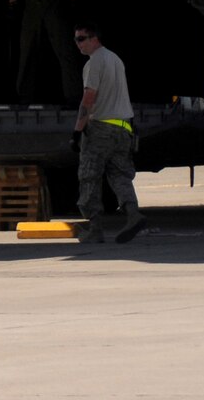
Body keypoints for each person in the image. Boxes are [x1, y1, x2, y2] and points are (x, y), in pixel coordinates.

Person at [74, 22, 145, 243]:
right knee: (119, 174)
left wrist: (78, 129)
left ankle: (95, 229)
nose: (78, 45)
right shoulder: (115, 59)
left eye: (81, 39)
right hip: (123, 127)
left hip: (101, 128)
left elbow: (89, 97)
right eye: (76, 40)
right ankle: (133, 213)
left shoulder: (94, 62)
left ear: (94, 38)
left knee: (89, 176)